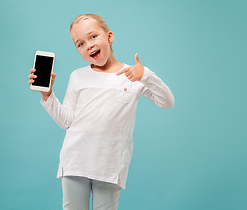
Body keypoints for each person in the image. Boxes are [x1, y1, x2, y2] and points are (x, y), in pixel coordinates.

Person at [28, 13, 174, 210]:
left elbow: (167, 102)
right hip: (75, 161)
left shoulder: (132, 75)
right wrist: (47, 94)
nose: (88, 45)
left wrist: (145, 75)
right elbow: (67, 121)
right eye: (80, 44)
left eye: (93, 37)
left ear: (109, 36)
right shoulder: (78, 76)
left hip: (110, 165)